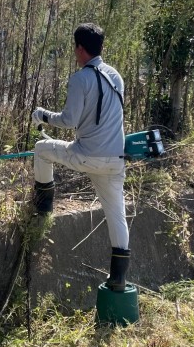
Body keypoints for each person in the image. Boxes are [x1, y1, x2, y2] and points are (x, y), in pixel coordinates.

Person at [31, 23, 131, 291]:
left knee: (41, 149)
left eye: (75, 48)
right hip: (115, 160)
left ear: (80, 48)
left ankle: (43, 208)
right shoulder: (116, 76)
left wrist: (42, 115)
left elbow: (69, 120)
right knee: (117, 215)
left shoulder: (80, 79)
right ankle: (119, 279)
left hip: (87, 155)